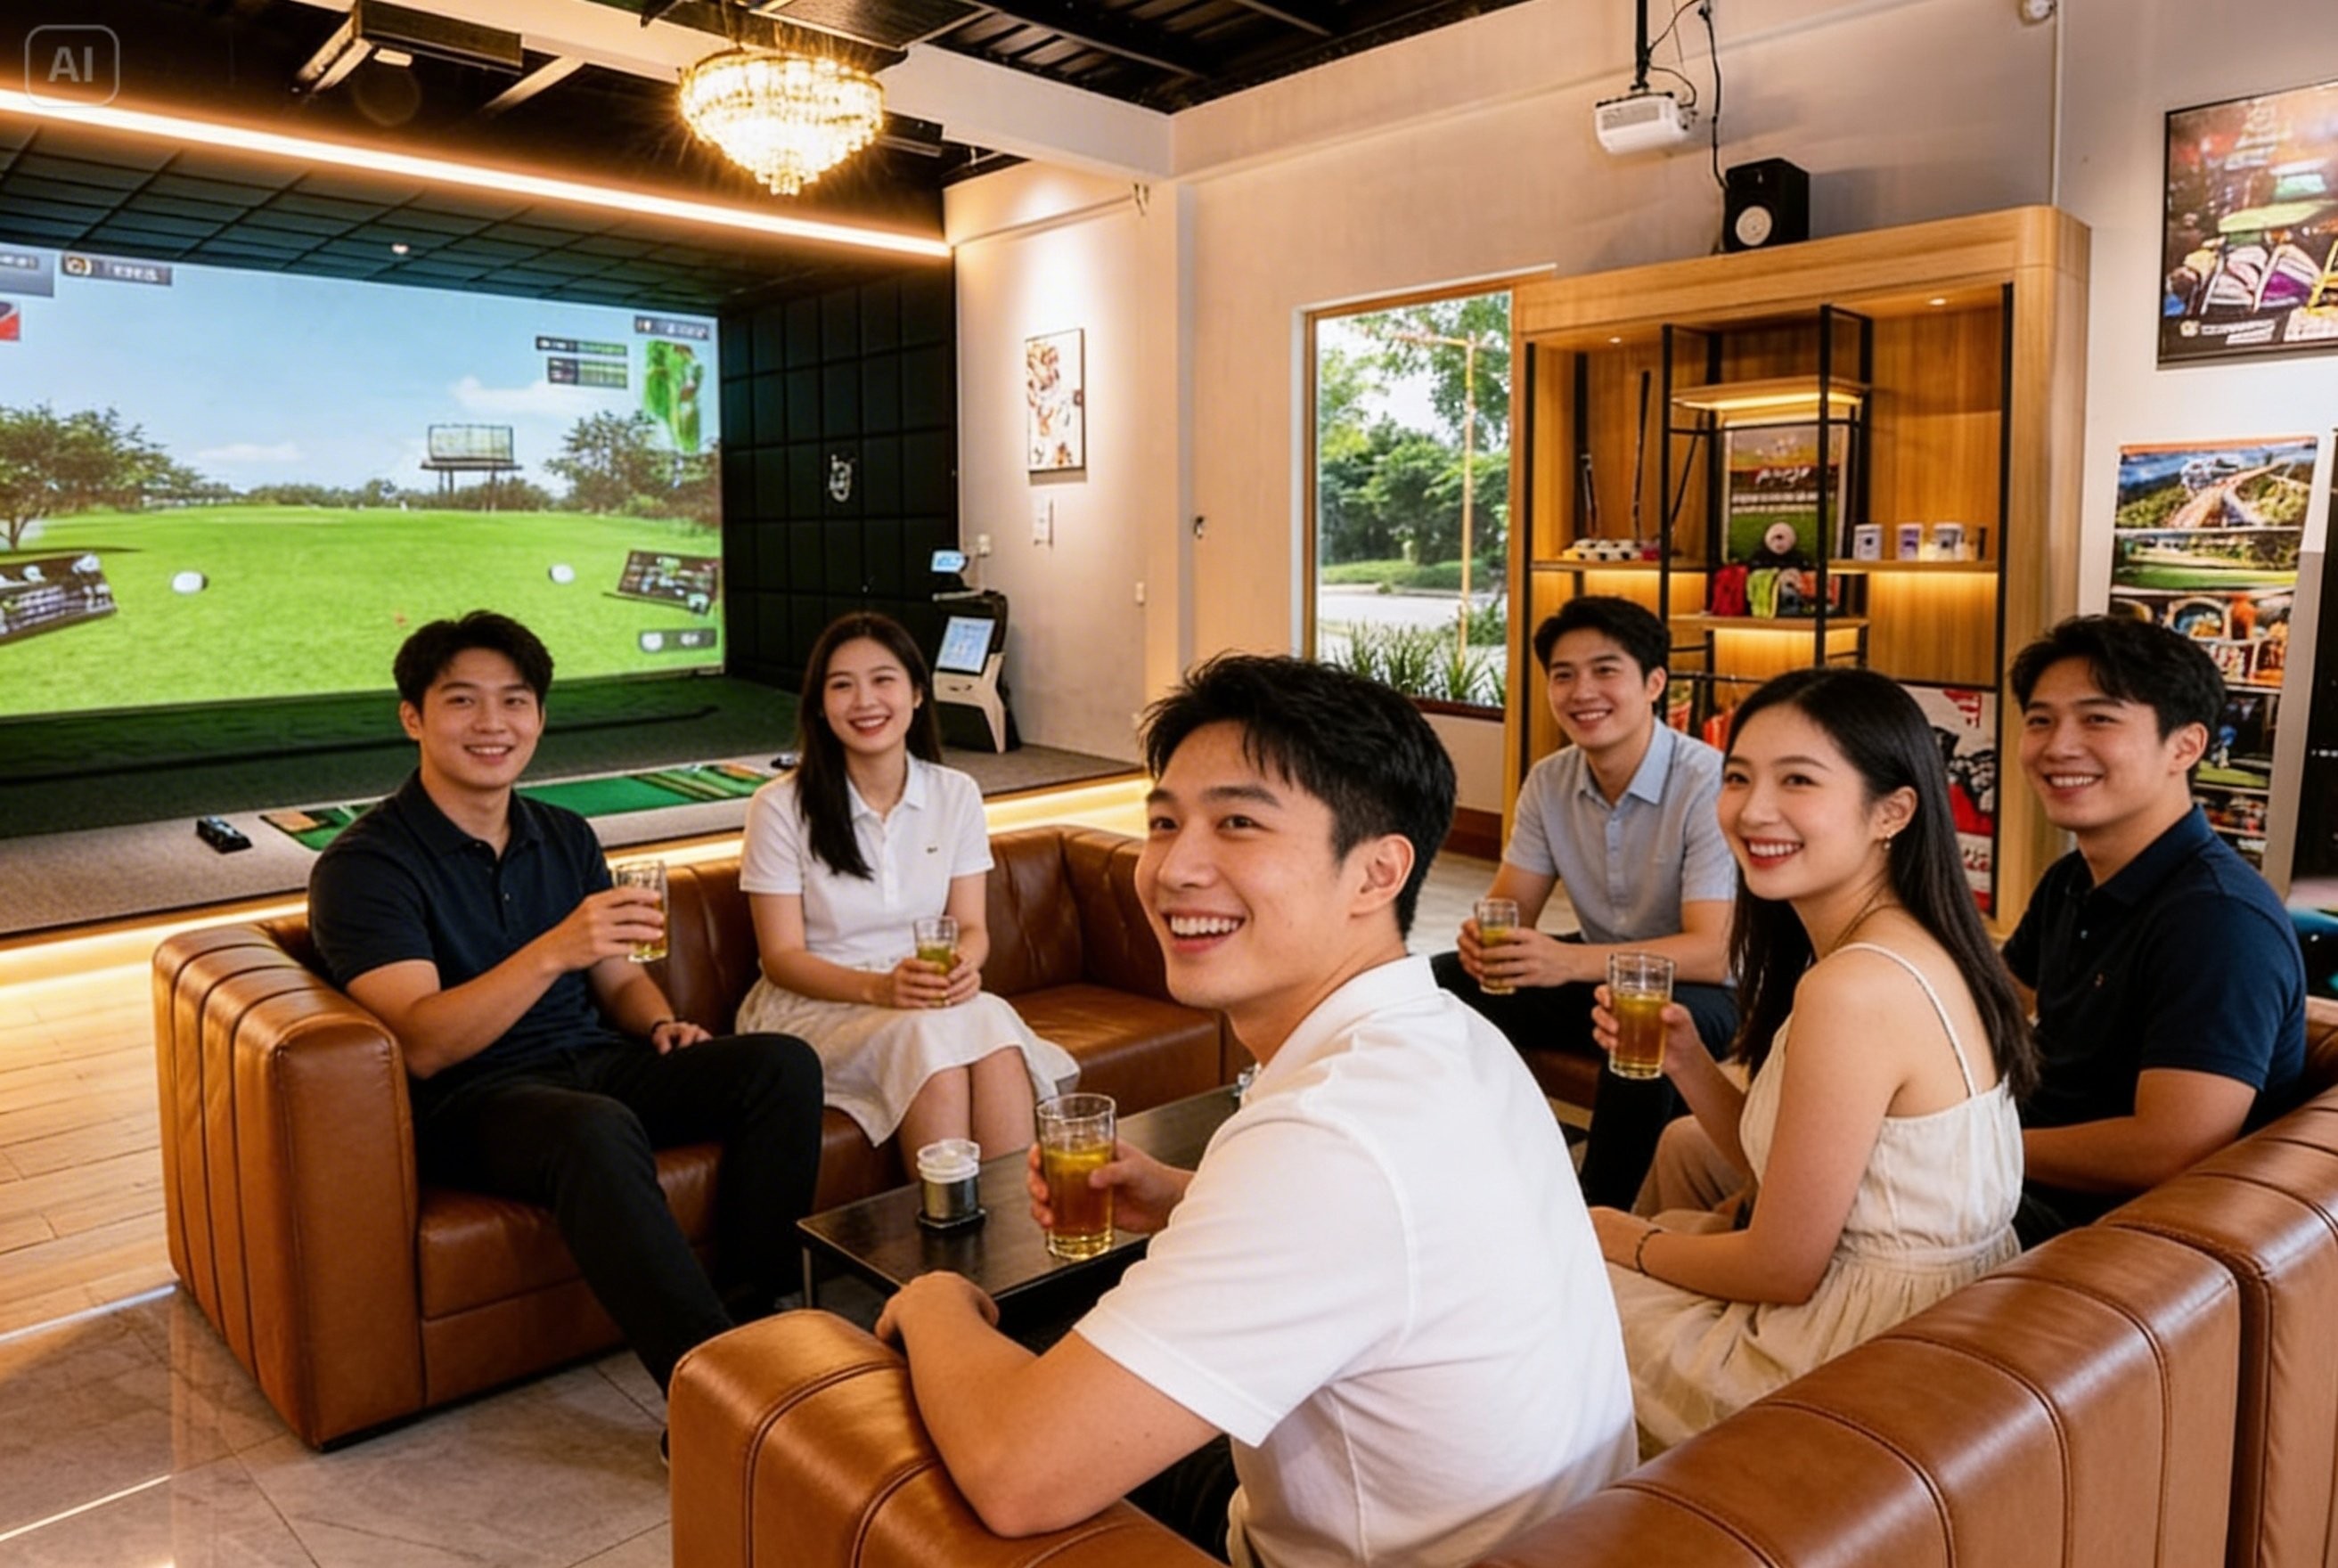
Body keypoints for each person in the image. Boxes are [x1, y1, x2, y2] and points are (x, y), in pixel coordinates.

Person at [873, 654, 1634, 1568]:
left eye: (1237, 822)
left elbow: (1017, 1473)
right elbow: (1391, 1231)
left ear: (1375, 871)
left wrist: (930, 1302)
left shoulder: (1327, 1136)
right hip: (1546, 1529)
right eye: (1162, 821)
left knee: (960, 1381)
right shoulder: (1450, 1037)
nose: (1170, 867)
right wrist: (1188, 1193)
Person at [306, 611, 825, 1407]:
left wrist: (657, 1023)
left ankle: (756, 1313)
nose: (493, 724)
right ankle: (718, 1394)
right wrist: (553, 947)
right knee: (593, 1126)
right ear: (413, 716)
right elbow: (423, 1045)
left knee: (779, 1065)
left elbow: (616, 976)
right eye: (462, 702)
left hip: (594, 1065)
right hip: (476, 1099)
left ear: (540, 718)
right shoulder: (366, 867)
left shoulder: (565, 834)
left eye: (515, 702)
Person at [1590, 667, 2035, 1452]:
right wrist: (1689, 1061)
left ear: (1892, 812)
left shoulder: (1854, 987)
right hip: (1921, 1309)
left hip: (1853, 1353)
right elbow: (1792, 1177)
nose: (1753, 811)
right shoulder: (1916, 944)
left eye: (1798, 780)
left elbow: (1782, 1269)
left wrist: (1614, 1235)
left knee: (1538, 1293)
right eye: (1737, 777)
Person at [2004, 616, 2307, 1241]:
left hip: (2102, 1234)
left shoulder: (2218, 921)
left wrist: (1970, 1152)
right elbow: (1990, 1014)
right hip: (2024, 1182)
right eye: (2040, 720)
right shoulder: (2072, 879)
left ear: (2186, 746)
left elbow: (2169, 1148)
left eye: (2098, 719)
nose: (2058, 746)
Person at [1433, 596, 1738, 1208]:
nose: (1582, 691)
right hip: (1606, 968)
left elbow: (1713, 951)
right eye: (1563, 675)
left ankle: (1603, 1216)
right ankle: (1463, 1172)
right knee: (1435, 983)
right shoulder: (1551, 780)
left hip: (1712, 987)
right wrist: (1483, 942)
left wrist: (1567, 963)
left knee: (1639, 1024)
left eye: (1605, 671)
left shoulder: (1709, 781)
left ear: (1654, 683)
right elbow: (1511, 907)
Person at [735, 612, 1075, 1158]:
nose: (864, 700)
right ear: (820, 706)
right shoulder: (780, 807)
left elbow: (971, 929)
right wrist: (879, 989)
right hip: (817, 1003)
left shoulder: (955, 794)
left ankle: (1011, 1232)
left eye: (883, 680)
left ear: (917, 693)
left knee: (991, 1025)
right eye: (842, 685)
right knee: (927, 1043)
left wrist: (964, 965)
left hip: (924, 998)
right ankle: (952, 1235)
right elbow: (781, 957)